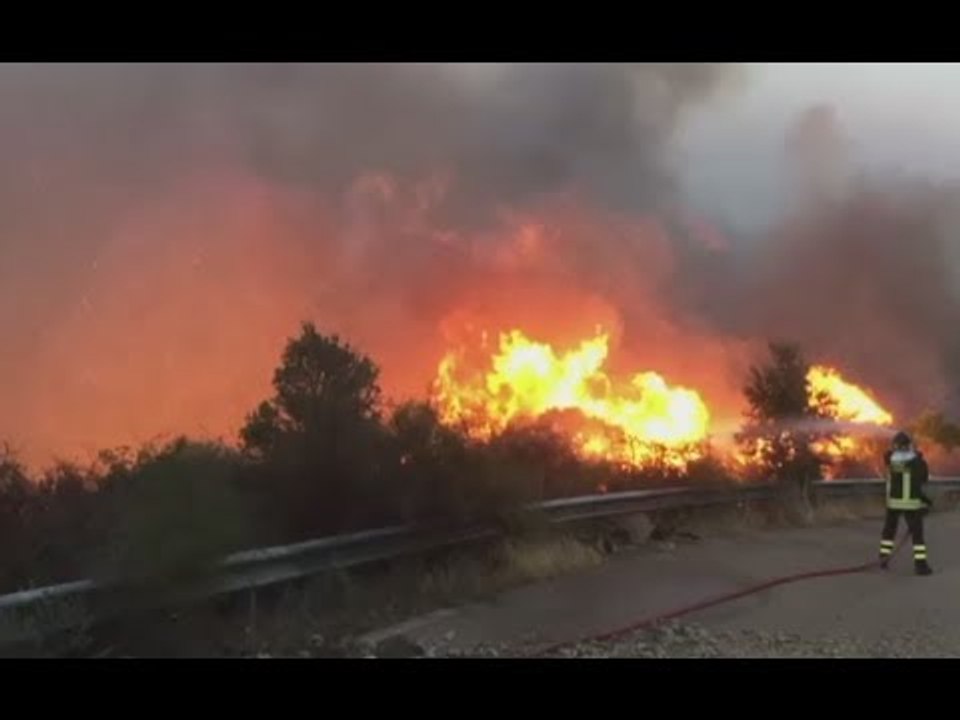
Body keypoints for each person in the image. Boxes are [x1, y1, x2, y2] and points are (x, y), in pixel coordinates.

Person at [879, 431, 933, 575]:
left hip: (893, 503)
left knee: (888, 532)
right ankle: (921, 566)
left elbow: (888, 456)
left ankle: (883, 559)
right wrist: (919, 456)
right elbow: (924, 479)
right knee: (917, 536)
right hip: (911, 504)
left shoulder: (890, 460)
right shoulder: (917, 462)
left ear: (895, 446)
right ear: (909, 445)